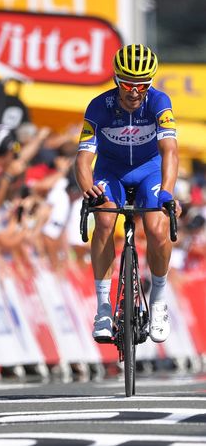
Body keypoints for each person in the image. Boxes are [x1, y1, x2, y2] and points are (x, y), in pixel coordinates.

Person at [74, 44, 180, 344]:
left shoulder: (159, 102)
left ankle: (158, 300)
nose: (135, 92)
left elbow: (170, 151)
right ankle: (103, 308)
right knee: (105, 220)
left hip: (150, 171)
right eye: (128, 84)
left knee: (157, 228)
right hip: (112, 171)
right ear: (116, 80)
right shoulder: (99, 106)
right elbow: (83, 159)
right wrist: (87, 187)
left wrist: (167, 192)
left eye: (142, 85)